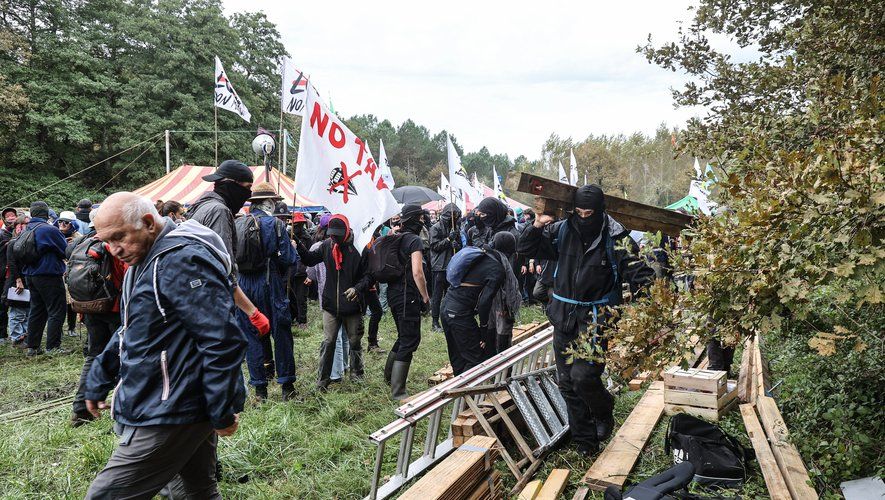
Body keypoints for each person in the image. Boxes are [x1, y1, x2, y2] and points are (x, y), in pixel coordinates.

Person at [83, 192, 246, 499]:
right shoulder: (142, 261)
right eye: (107, 241)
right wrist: (98, 379)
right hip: (169, 402)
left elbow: (222, 340)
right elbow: (131, 329)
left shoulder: (180, 261)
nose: (114, 249)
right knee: (193, 492)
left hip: (173, 409)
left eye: (120, 237)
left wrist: (221, 410)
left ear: (148, 223)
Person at [518, 185, 655, 456]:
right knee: (566, 382)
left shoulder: (617, 238)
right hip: (563, 315)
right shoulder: (561, 231)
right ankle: (585, 442)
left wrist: (652, 303)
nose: (583, 217)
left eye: (589, 212)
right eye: (578, 211)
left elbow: (640, 274)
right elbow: (525, 247)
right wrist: (536, 225)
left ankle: (603, 408)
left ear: (600, 211)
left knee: (583, 376)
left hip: (596, 319)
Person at [187, 160, 270, 337]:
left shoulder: (199, 208)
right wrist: (252, 312)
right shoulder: (219, 212)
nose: (247, 195)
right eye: (247, 187)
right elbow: (221, 271)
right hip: (212, 306)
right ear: (231, 185)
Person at [235, 183, 299, 401]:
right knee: (281, 333)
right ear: (269, 203)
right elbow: (290, 259)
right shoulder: (275, 225)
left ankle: (260, 390)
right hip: (268, 281)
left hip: (243, 285)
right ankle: (286, 387)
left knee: (251, 335)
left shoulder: (238, 223)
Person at [296, 214, 369, 390]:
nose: (334, 237)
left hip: (352, 304)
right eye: (332, 234)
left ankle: (356, 375)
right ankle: (323, 381)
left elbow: (369, 276)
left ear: (346, 231)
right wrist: (298, 245)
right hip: (330, 303)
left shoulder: (359, 248)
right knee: (328, 342)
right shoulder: (327, 246)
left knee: (354, 341)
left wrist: (357, 289)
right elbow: (310, 259)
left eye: (337, 234)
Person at [69, 214, 125, 426]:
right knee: (122, 356)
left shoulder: (81, 243)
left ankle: (81, 409)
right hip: (114, 307)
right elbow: (127, 275)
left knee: (94, 354)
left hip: (90, 308)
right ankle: (123, 411)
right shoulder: (113, 246)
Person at [441, 233, 509, 375]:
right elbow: (485, 302)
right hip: (459, 312)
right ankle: (466, 393)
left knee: (458, 356)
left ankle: (458, 393)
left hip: (446, 304)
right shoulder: (497, 269)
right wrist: (483, 329)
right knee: (475, 359)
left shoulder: (481, 254)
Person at [383, 204, 430, 400]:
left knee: (403, 336)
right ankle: (398, 392)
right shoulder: (414, 240)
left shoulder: (395, 237)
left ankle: (389, 377)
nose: (423, 221)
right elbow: (417, 272)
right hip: (406, 295)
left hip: (393, 293)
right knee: (410, 339)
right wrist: (426, 296)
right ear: (414, 219)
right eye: (420, 217)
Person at [21, 201, 69, 356]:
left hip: (30, 274)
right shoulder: (49, 230)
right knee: (57, 309)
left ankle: (32, 347)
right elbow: (65, 251)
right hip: (48, 274)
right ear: (46, 214)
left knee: (37, 309)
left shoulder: (26, 229)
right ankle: (53, 347)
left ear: (32, 213)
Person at [429, 203, 462, 331]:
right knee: (437, 296)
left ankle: (450, 317)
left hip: (452, 265)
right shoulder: (435, 228)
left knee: (451, 294)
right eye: (454, 214)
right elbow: (435, 247)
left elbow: (458, 245)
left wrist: (456, 244)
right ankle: (435, 322)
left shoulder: (455, 227)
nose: (456, 217)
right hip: (439, 266)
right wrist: (448, 240)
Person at [4, 214, 29, 346]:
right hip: (16, 280)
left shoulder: (27, 242)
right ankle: (16, 336)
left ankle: (24, 335)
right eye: (26, 224)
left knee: (26, 310)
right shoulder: (13, 243)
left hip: (27, 279)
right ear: (19, 226)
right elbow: (11, 263)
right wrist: (18, 280)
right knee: (17, 310)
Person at [57, 210, 82, 337]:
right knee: (60, 302)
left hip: (73, 271)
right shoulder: (55, 235)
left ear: (72, 224)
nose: (62, 224)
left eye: (66, 222)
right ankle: (58, 329)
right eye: (60, 221)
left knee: (72, 301)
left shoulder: (79, 237)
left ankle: (71, 328)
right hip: (59, 271)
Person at [288, 210, 312, 329]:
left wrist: (310, 274)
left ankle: (302, 320)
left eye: (300, 224)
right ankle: (292, 318)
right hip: (291, 272)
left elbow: (310, 256)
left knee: (301, 298)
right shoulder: (287, 235)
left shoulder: (307, 238)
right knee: (290, 297)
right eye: (296, 225)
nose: (299, 227)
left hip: (303, 272)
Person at [0, 207, 17, 342]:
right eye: (8, 216)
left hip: (14, 274)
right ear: (4, 219)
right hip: (3, 273)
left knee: (17, 303)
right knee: (2, 303)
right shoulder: (2, 234)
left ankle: (17, 332)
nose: (11, 217)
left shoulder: (19, 232)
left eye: (13, 215)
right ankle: (2, 334)